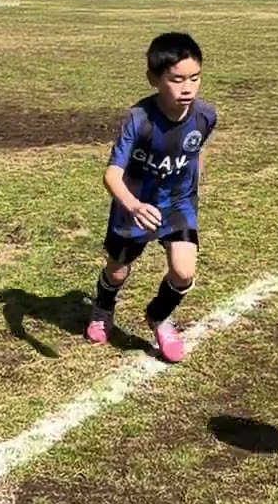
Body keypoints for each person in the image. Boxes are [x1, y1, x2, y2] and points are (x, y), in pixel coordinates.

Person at [88, 32, 218, 363]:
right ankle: (103, 306)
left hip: (178, 203)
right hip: (135, 205)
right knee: (118, 270)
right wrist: (132, 205)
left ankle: (159, 316)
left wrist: (193, 182)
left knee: (184, 271)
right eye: (176, 79)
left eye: (195, 77)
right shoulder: (139, 119)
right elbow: (112, 175)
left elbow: (196, 150)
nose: (187, 87)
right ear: (154, 79)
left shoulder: (205, 115)